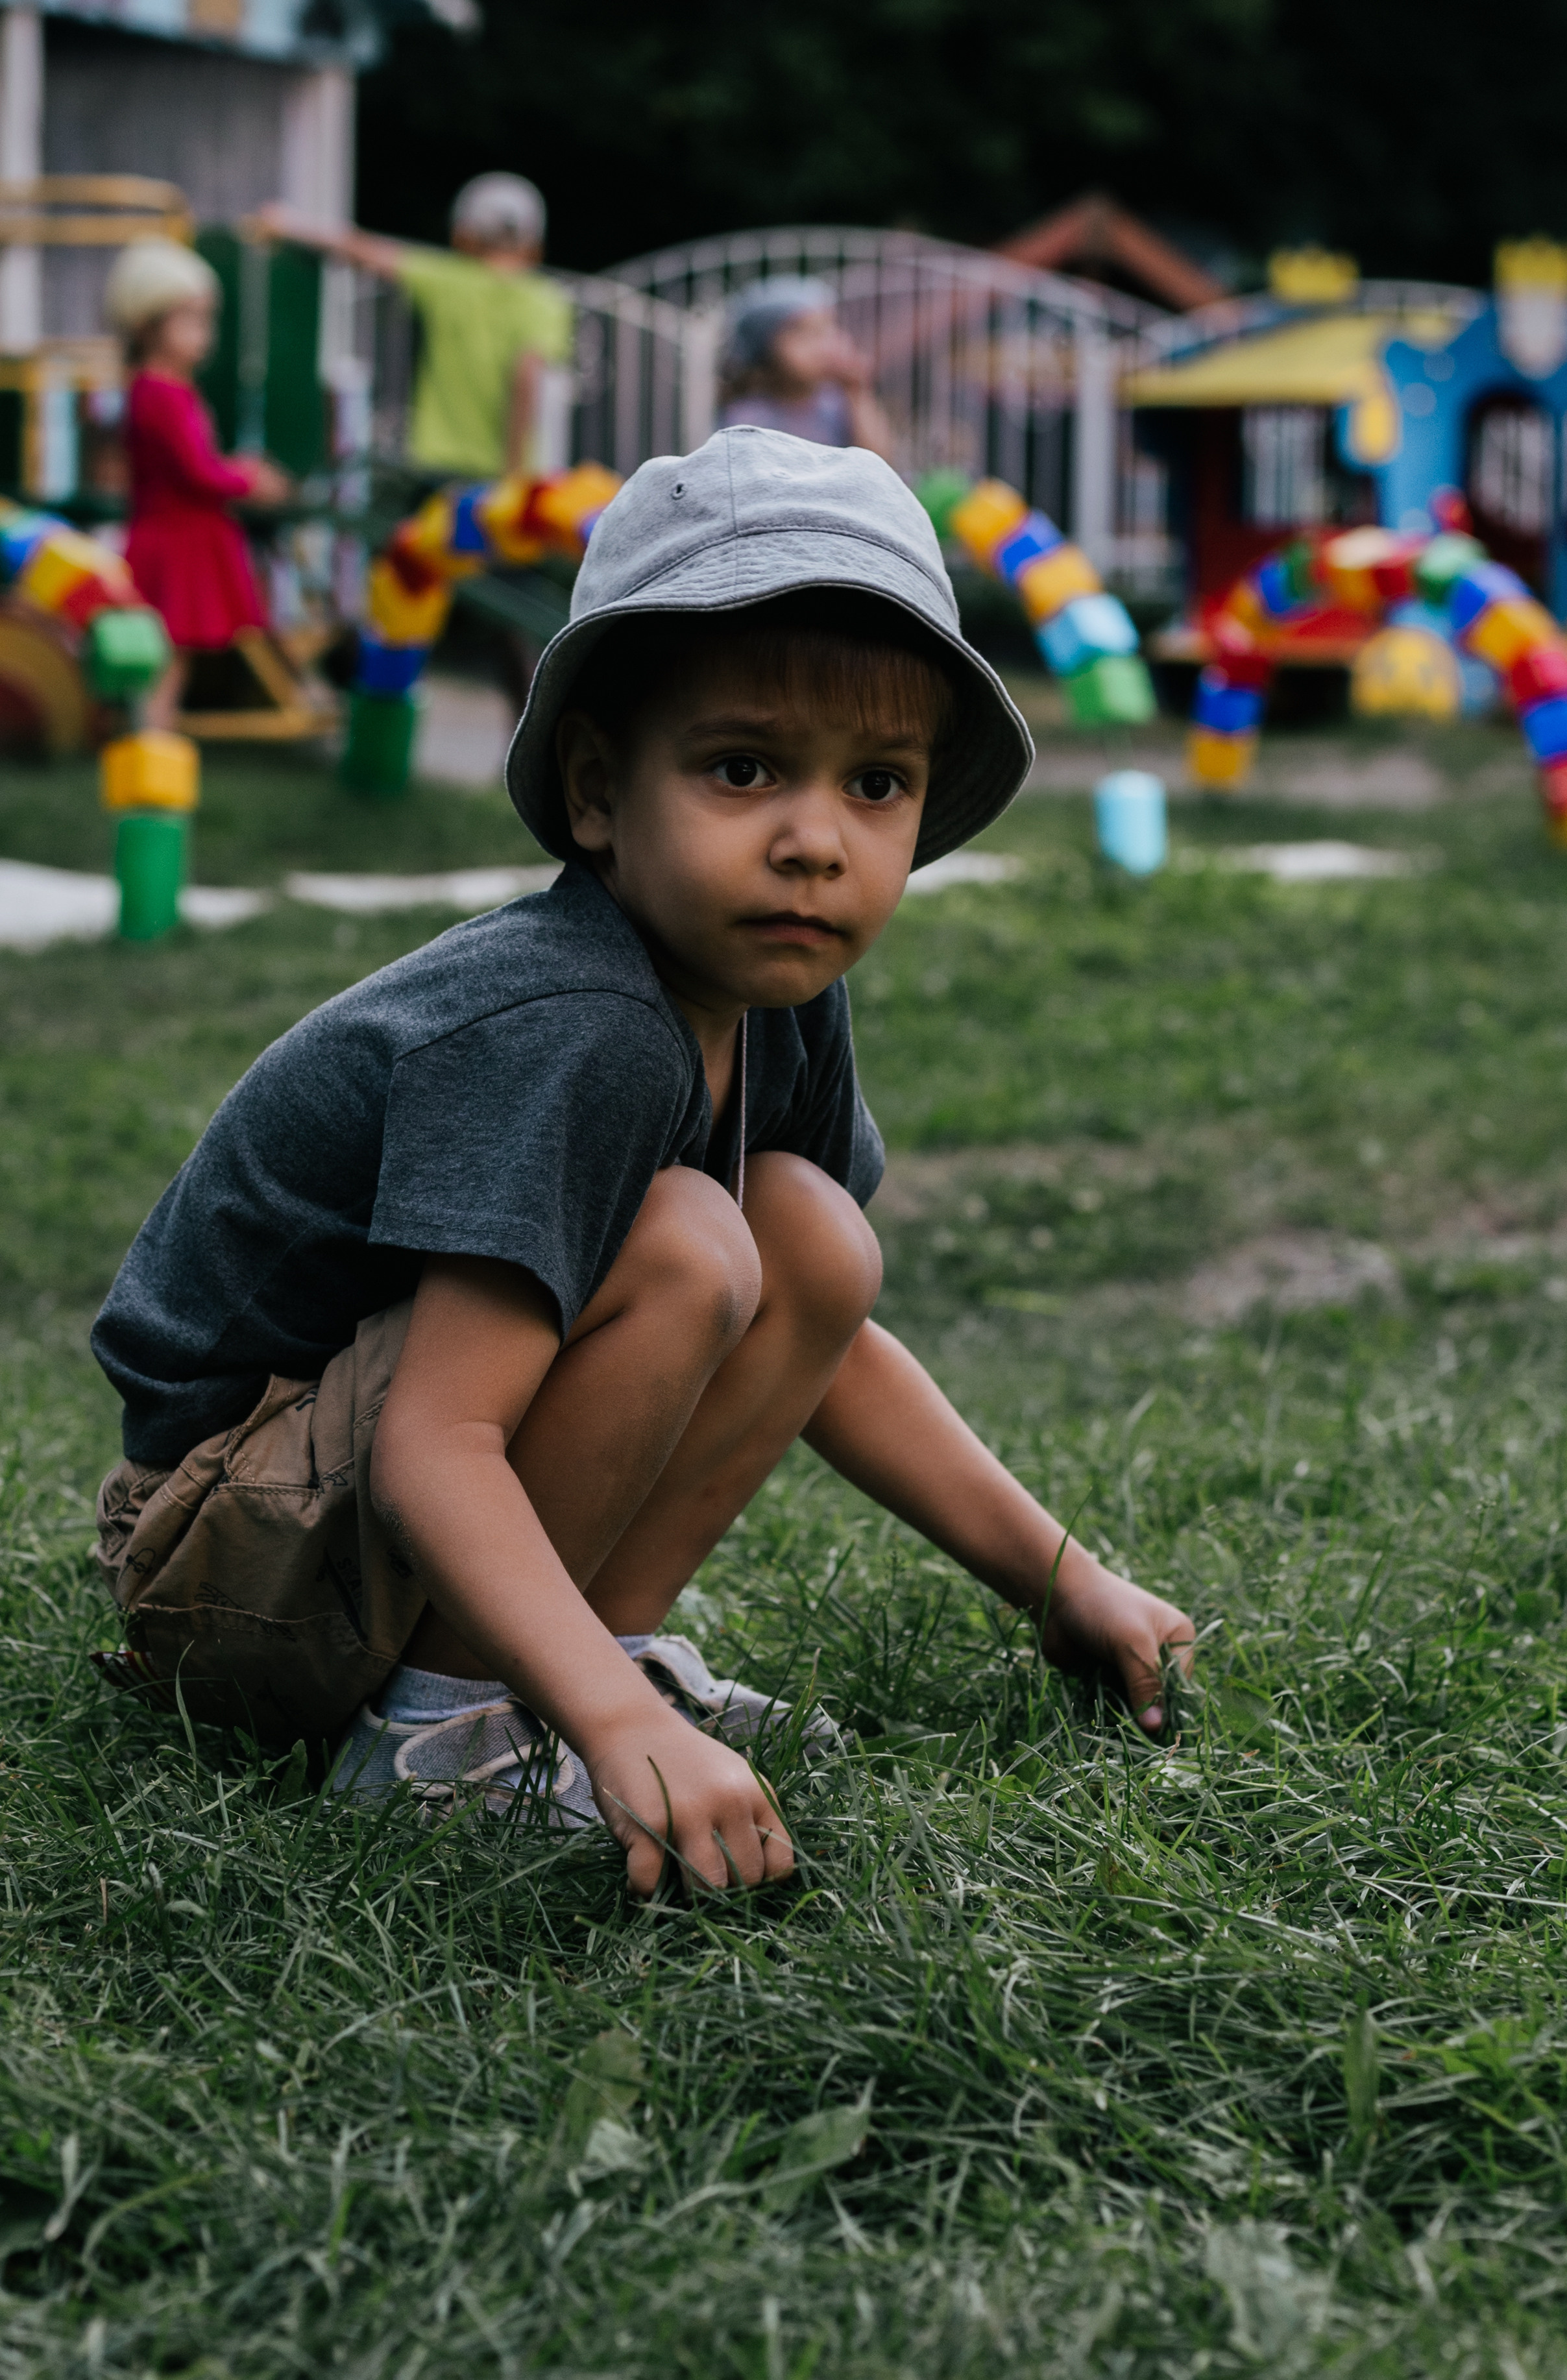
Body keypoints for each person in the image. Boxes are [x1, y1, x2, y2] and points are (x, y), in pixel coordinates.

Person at [90, 427, 1194, 1899]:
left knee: (805, 1233)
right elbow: (437, 1443)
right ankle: (445, 1732)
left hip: (341, 1522)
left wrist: (1058, 1578)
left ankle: (577, 1658)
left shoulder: (776, 991)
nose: (815, 843)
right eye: (744, 769)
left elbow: (830, 1337)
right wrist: (620, 1733)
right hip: (216, 1550)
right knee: (691, 1239)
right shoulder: (574, 1024)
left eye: (876, 784)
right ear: (601, 793)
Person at [258, 174, 572, 481]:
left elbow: (363, 250)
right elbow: (527, 376)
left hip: (438, 463)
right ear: (535, 246)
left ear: (462, 236)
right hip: (506, 474)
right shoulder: (546, 299)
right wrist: (514, 474)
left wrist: (288, 226)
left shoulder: (448, 280)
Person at [103, 238, 291, 731]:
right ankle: (150, 736)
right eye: (189, 319)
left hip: (182, 535)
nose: (204, 333)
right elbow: (197, 473)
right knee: (167, 652)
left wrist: (235, 470)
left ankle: (152, 732)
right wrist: (249, 478)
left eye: (207, 319)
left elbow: (196, 464)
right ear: (147, 324)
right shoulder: (160, 392)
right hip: (175, 540)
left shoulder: (169, 388)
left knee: (171, 653)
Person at [719, 276, 892, 459]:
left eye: (828, 330)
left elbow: (879, 462)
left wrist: (857, 392)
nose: (824, 347)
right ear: (764, 349)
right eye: (805, 335)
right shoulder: (748, 417)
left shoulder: (837, 403)